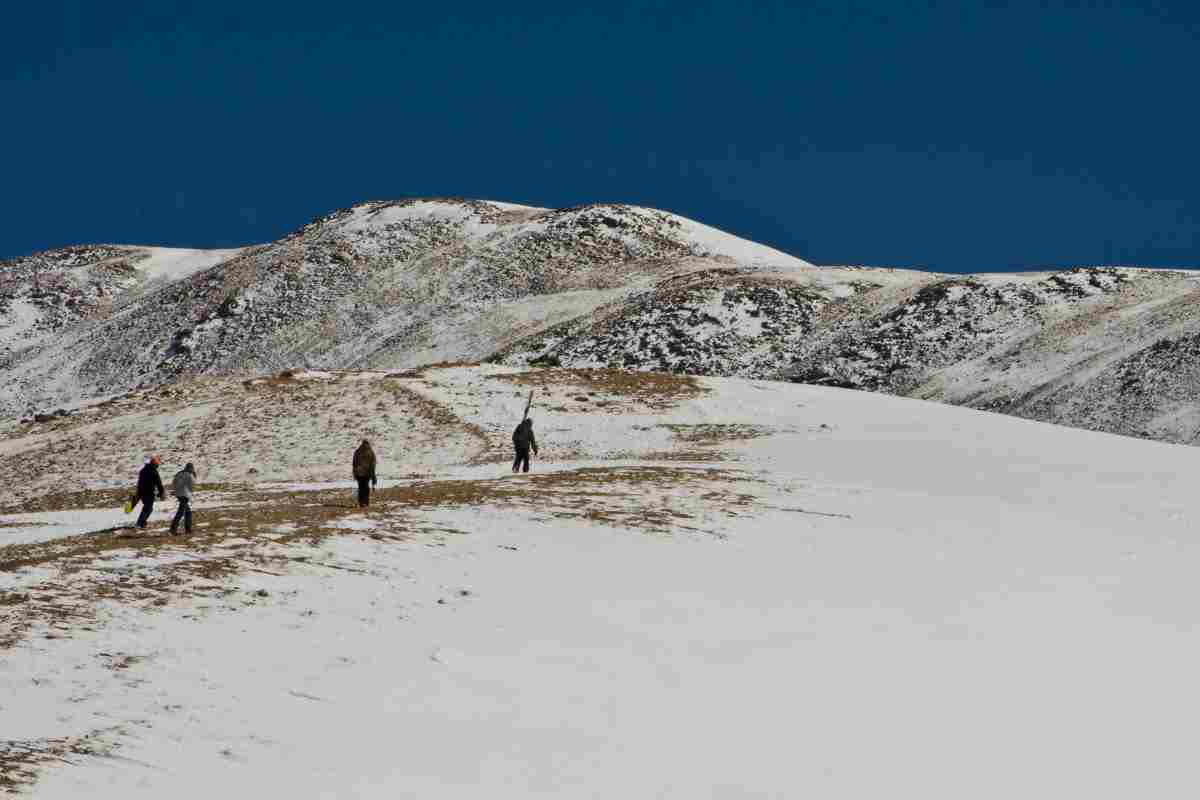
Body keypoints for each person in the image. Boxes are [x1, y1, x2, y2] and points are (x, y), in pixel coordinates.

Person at [134, 456, 165, 528]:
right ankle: (140, 523)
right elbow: (158, 483)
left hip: (141, 492)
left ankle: (142, 522)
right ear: (155, 464)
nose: (158, 465)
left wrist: (138, 492)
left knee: (147, 508)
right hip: (149, 493)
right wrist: (161, 492)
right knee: (148, 508)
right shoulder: (154, 471)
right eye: (157, 464)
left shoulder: (143, 470)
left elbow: (139, 482)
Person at [170, 462, 196, 535]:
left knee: (187, 511)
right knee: (181, 512)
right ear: (191, 468)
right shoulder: (189, 475)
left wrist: (175, 491)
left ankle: (188, 528)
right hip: (185, 495)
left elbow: (174, 483)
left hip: (178, 494)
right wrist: (190, 492)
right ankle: (173, 529)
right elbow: (192, 486)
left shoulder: (179, 473)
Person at [352, 439, 378, 508]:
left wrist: (354, 472)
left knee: (361, 487)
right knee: (366, 488)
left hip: (359, 473)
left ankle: (361, 502)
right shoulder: (370, 452)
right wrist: (373, 475)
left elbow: (354, 463)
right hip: (367, 473)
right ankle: (365, 503)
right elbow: (373, 464)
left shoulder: (357, 451)